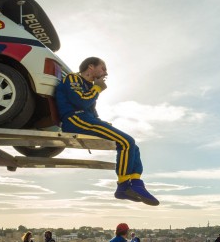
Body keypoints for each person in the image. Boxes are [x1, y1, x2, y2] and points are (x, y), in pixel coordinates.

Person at [55, 57, 158, 206]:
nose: (106, 73)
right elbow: (81, 102)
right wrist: (97, 88)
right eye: (103, 68)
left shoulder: (89, 85)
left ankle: (136, 184)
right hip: (75, 120)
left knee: (133, 146)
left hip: (87, 119)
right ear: (91, 67)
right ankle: (123, 186)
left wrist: (102, 123)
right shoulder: (73, 78)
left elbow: (91, 110)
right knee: (126, 141)